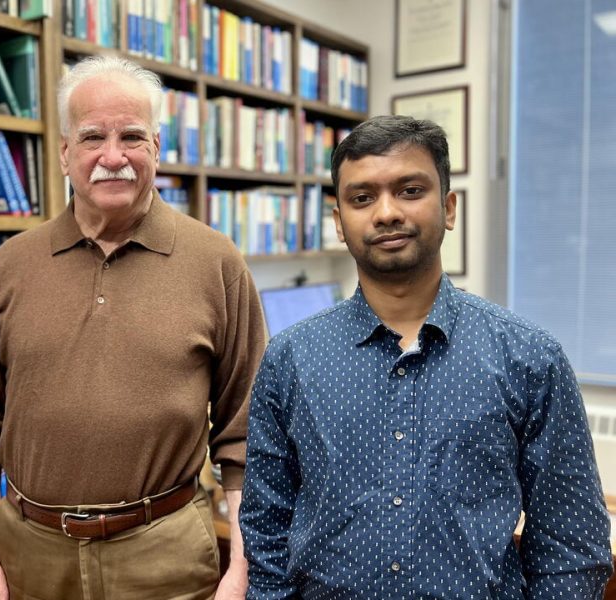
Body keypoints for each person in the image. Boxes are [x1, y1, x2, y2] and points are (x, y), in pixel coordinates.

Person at [240, 115, 613, 598]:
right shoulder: (291, 359)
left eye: (410, 190)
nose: (387, 212)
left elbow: (572, 546)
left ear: (449, 207)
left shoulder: (529, 358)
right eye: (362, 198)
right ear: (339, 222)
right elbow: (266, 531)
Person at [0, 55, 266, 599]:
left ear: (158, 148)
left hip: (164, 556)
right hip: (28, 557)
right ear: (65, 152)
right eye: (93, 136)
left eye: (132, 137)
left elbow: (246, 434)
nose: (113, 156)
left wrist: (242, 565)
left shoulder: (217, 262)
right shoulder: (11, 263)